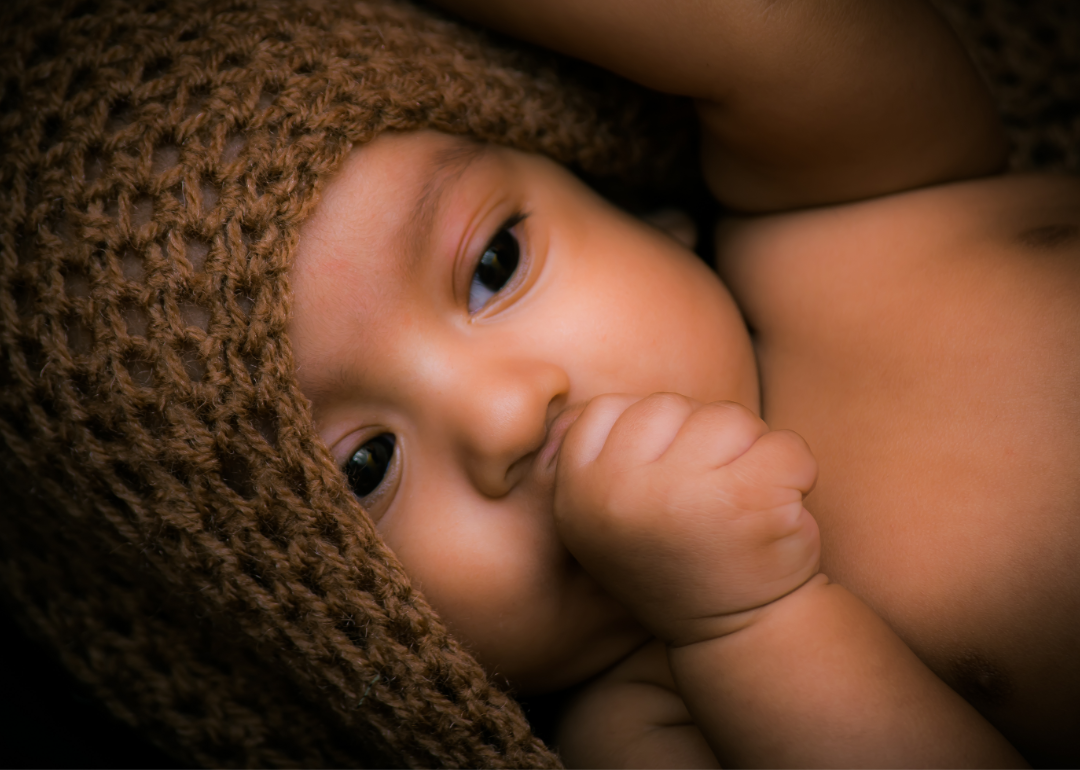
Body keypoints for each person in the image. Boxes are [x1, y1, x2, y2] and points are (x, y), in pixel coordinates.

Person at [1, 0, 1076, 766]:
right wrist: (749, 624)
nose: (507, 412)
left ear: (627, 198)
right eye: (364, 466)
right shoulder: (659, 709)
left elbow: (779, 28)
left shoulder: (842, 203)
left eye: (494, 265)